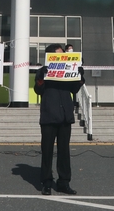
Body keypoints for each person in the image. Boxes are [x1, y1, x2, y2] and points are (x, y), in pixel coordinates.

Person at [34, 42, 84, 195]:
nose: (63, 57)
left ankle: (64, 182)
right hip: (49, 116)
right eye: (59, 54)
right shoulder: (43, 70)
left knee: (64, 151)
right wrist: (43, 77)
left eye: (64, 54)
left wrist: (80, 74)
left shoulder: (68, 69)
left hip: (65, 116)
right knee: (47, 151)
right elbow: (38, 89)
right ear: (51, 56)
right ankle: (47, 182)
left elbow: (74, 88)